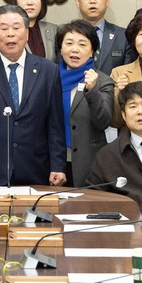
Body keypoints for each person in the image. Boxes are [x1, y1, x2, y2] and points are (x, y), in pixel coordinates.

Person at [0, 4, 67, 186]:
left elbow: (55, 124)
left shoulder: (48, 70)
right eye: (3, 28)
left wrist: (58, 165)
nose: (10, 34)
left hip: (35, 167)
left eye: (17, 28)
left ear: (27, 33)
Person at [56, 20, 114, 186]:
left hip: (89, 164)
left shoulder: (103, 81)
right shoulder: (49, 77)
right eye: (69, 43)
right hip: (54, 163)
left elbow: (103, 121)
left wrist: (93, 90)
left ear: (92, 52)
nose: (75, 49)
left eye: (82, 44)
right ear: (61, 48)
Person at [73, 0, 132, 74]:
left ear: (107, 0)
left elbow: (128, 73)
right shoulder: (67, 36)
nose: (92, 0)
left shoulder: (124, 36)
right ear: (77, 1)